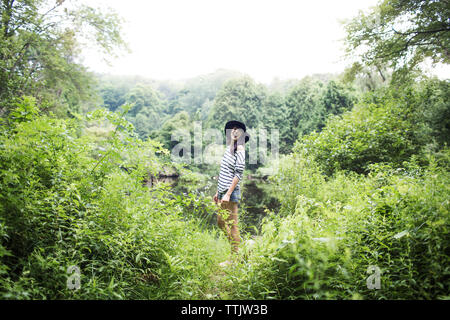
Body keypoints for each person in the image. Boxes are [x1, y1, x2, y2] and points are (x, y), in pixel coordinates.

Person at [213, 120, 250, 267]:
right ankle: (239, 251)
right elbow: (224, 172)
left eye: (237, 129)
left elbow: (238, 173)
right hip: (223, 192)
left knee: (232, 225)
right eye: (232, 129)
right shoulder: (229, 149)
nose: (234, 131)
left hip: (231, 193)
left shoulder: (240, 149)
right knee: (220, 222)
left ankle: (235, 258)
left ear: (241, 134)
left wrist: (228, 193)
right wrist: (218, 191)